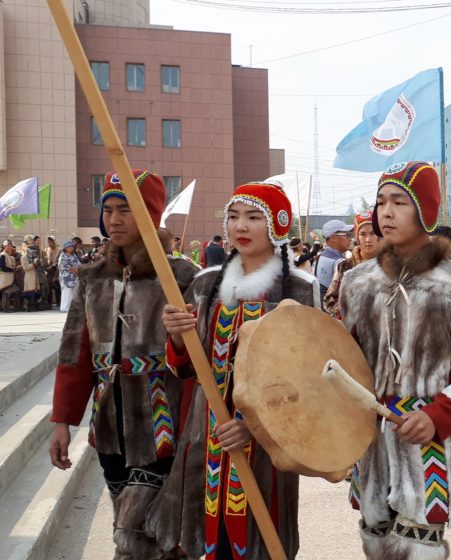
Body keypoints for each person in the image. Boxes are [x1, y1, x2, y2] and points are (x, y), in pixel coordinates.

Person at [149, 180, 318, 560]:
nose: (240, 226)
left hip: (266, 446)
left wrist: (254, 426)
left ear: (277, 225)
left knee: (260, 544)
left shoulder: (300, 289)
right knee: (208, 542)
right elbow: (185, 368)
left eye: (254, 217)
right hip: (206, 436)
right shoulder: (206, 284)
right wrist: (176, 337)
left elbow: (307, 381)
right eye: (234, 216)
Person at [339, 162, 451, 560]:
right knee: (374, 537)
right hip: (370, 438)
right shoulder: (356, 282)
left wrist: (437, 415)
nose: (386, 212)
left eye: (399, 202)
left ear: (425, 210)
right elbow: (343, 360)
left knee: (420, 545)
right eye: (380, 202)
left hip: (428, 440)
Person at [48, 170, 197, 559]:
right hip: (109, 423)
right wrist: (63, 420)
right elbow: (74, 353)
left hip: (163, 423)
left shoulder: (182, 276)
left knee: (133, 533)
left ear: (150, 214)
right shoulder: (92, 278)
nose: (113, 219)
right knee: (141, 526)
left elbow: (198, 359)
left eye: (125, 210)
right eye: (108, 210)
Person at [324, 212, 379, 318]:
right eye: (363, 234)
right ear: (357, 237)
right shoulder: (344, 267)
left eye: (373, 233)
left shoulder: (390, 267)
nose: (368, 239)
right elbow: (328, 301)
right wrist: (349, 306)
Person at [314, 219, 353, 300]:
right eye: (347, 235)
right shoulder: (339, 263)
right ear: (333, 238)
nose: (350, 239)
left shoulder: (322, 255)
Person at [57, 240, 81, 312]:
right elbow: (62, 266)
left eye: (72, 246)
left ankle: (72, 307)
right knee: (66, 292)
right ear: (65, 248)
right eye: (69, 247)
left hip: (75, 276)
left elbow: (79, 264)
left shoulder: (74, 255)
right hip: (66, 277)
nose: (71, 248)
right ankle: (64, 307)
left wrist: (77, 269)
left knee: (74, 292)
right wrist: (72, 269)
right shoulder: (63, 255)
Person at [20, 235, 40, 311]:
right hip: (29, 276)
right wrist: (33, 264)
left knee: (36, 291)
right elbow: (25, 267)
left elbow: (37, 266)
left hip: (35, 275)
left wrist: (38, 262)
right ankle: (30, 306)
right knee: (29, 291)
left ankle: (35, 305)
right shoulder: (24, 257)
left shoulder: (33, 256)